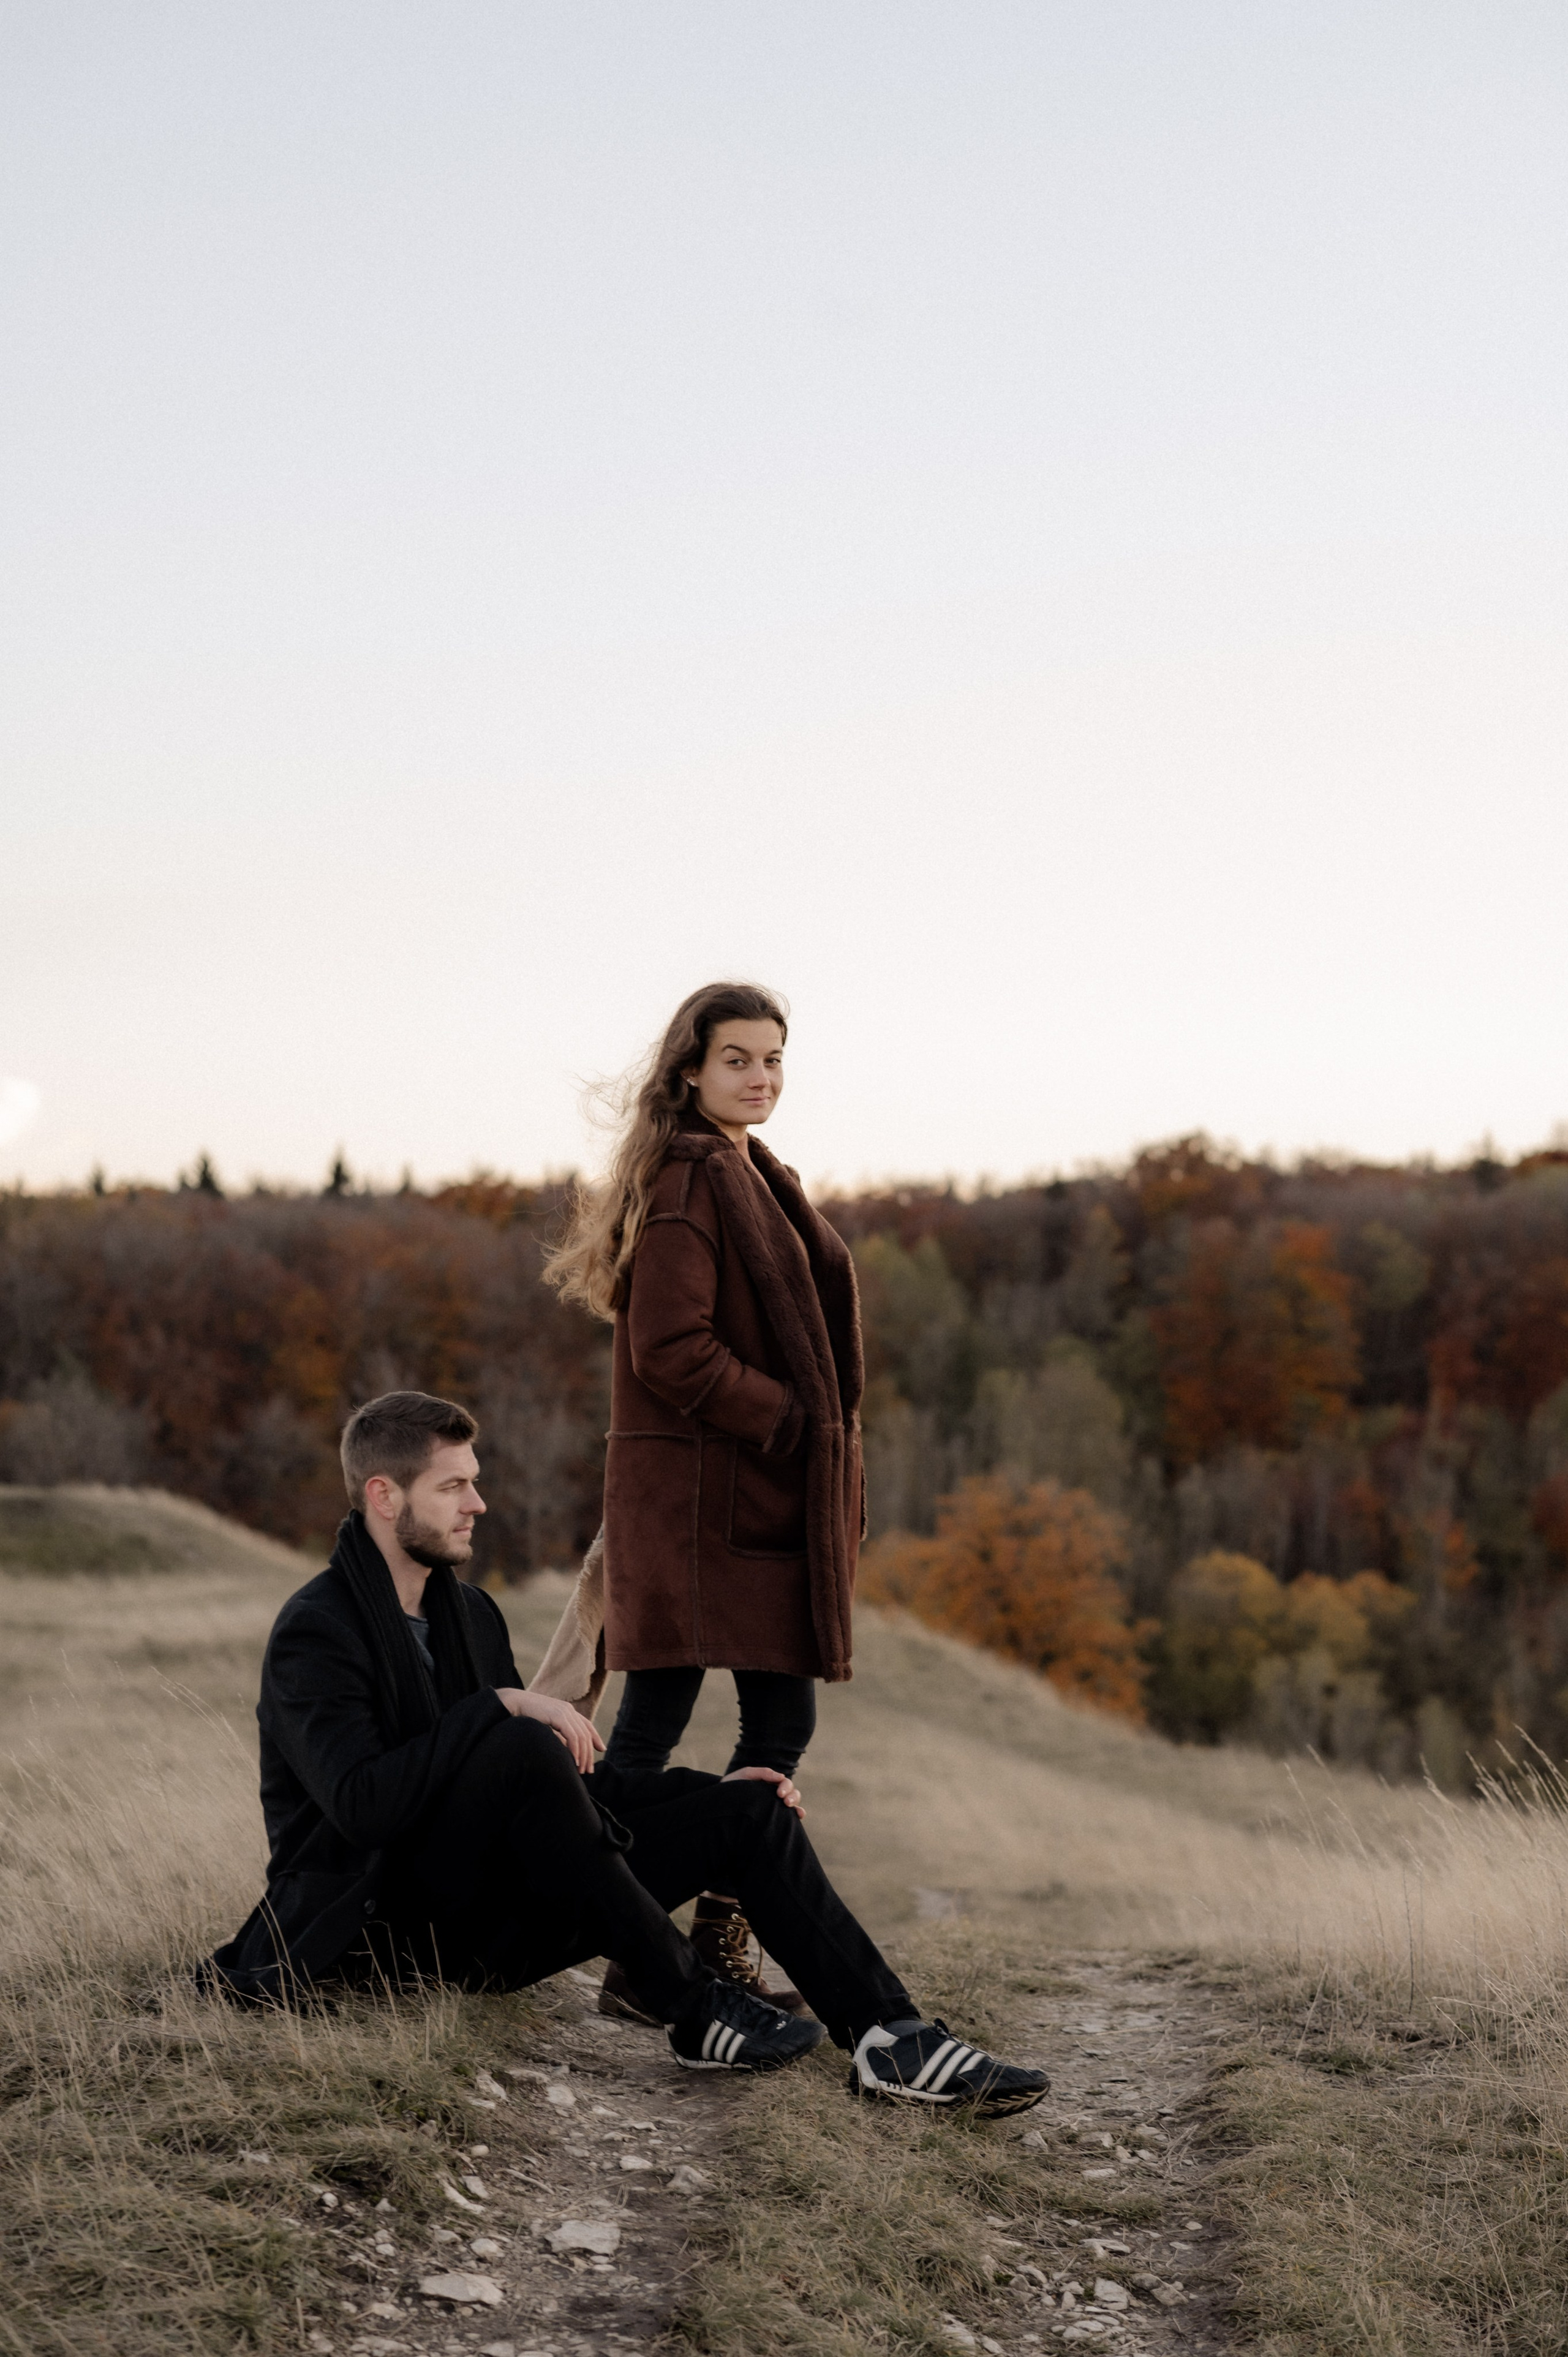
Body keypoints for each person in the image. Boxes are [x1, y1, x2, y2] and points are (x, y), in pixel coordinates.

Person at [201, 1391, 1048, 2119]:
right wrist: (501, 1707)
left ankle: (889, 2038)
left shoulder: (472, 1616)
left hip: (487, 1915)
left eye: (475, 1482)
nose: (478, 1505)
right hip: (378, 1935)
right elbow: (362, 1806)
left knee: (745, 1807)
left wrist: (708, 1802)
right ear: (384, 1497)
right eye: (454, 1486)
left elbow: (560, 1800)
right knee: (525, 1742)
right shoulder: (317, 1629)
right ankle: (690, 2007)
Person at [541, 982, 862, 2023]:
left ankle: (702, 1943)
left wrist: (806, 1446)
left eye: (774, 1060)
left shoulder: (753, 1173)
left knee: (772, 1715)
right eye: (738, 1060)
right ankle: (641, 1958)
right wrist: (788, 1422)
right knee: (652, 1731)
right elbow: (671, 1351)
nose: (761, 1077)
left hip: (741, 1501)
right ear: (691, 1069)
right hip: (698, 1504)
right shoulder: (690, 1181)